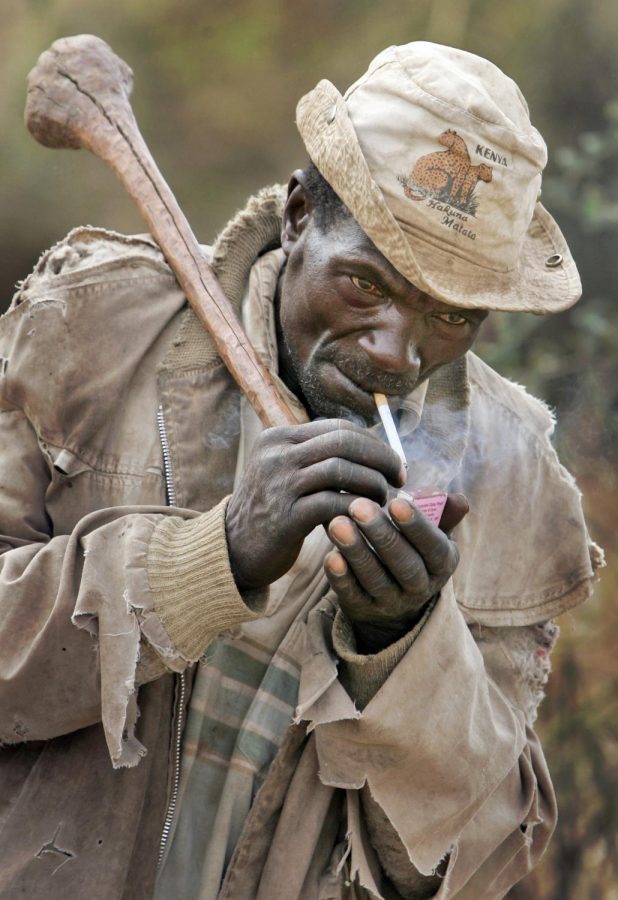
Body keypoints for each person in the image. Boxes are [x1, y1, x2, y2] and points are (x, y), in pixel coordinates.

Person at [0, 40, 603, 900]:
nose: (398, 353)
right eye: (365, 285)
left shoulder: (517, 489)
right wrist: (216, 559)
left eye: (451, 313)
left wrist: (401, 655)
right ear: (296, 217)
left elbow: (476, 863)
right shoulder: (93, 332)